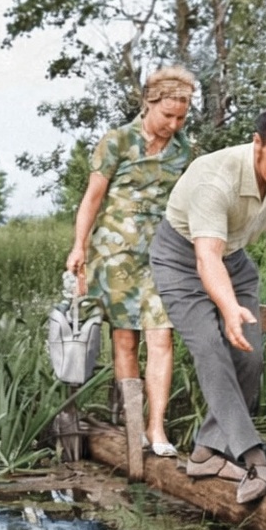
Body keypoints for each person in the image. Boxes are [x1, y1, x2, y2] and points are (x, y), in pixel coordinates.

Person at [149, 101, 266, 503]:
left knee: (251, 358)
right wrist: (227, 309)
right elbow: (206, 257)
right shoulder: (215, 178)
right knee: (211, 348)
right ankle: (255, 459)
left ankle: (206, 453)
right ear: (257, 143)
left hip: (234, 260)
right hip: (181, 259)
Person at [65, 65, 196, 458]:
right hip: (115, 255)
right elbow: (92, 198)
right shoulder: (117, 141)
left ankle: (157, 428)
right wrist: (78, 247)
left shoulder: (183, 150)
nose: (173, 125)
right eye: (167, 115)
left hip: (162, 255)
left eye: (181, 117)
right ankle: (134, 424)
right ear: (148, 103)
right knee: (125, 339)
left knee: (162, 337)